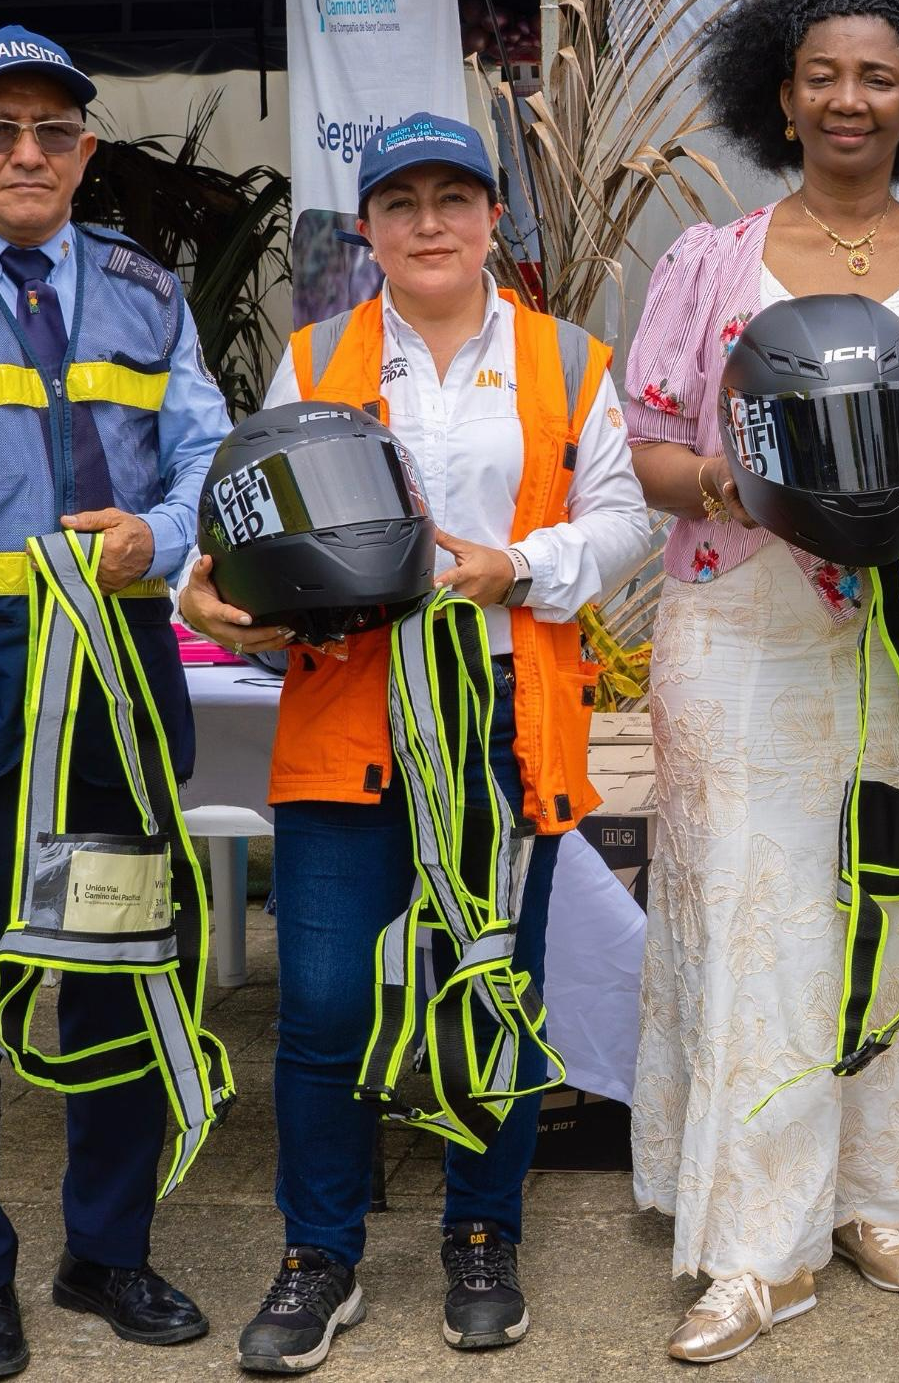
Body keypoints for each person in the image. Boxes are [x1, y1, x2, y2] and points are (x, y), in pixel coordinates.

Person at [181, 113, 653, 1372]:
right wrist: (206, 587)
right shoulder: (317, 353)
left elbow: (622, 518)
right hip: (355, 711)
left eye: (455, 198)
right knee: (326, 999)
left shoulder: (565, 358)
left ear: (495, 218)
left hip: (505, 717)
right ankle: (316, 1253)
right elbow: (247, 504)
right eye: (401, 203)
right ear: (369, 229)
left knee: (493, 987)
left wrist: (521, 565)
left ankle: (482, 1233)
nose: (430, 223)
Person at [624, 0, 899, 1365]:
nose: (848, 100)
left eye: (878, 78)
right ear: (779, 98)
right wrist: (750, 489)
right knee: (760, 913)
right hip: (745, 631)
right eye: (821, 76)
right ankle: (754, 1247)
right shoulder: (710, 263)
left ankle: (880, 1192)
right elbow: (656, 451)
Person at [0, 26, 230, 1381]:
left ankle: (108, 1252)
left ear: (85, 153)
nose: (29, 154)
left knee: (123, 981)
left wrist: (162, 536)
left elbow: (208, 452)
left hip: (112, 716)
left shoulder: (145, 294)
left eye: (55, 132)